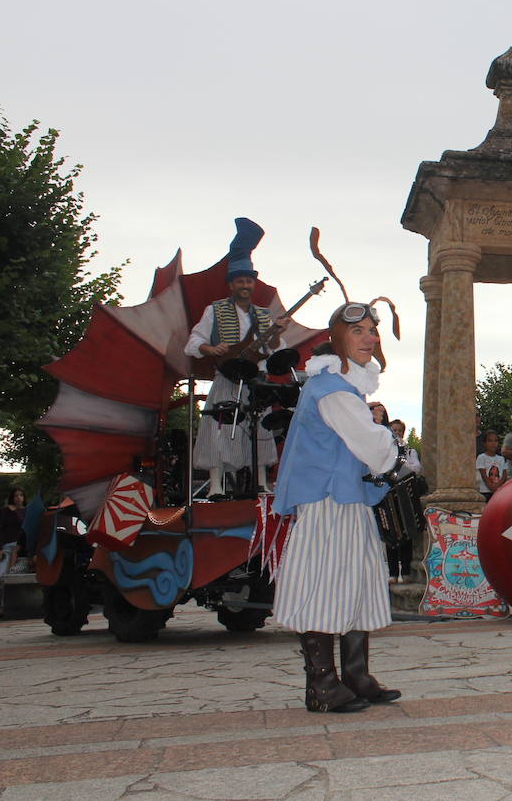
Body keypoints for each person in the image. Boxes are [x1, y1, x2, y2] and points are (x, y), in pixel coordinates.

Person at [273, 301, 404, 714]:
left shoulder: (341, 390)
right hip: (328, 502)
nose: (370, 338)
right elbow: (376, 451)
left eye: (372, 330)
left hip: (345, 499)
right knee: (325, 586)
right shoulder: (332, 391)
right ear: (338, 338)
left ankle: (356, 677)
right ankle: (323, 686)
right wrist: (389, 438)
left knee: (357, 583)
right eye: (359, 331)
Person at [183, 218, 288, 496]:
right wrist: (211, 349)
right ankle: (216, 486)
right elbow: (194, 341)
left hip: (256, 381)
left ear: (254, 284)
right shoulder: (214, 310)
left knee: (262, 430)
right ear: (231, 285)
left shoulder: (264, 315)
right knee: (216, 431)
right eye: (240, 280)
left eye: (249, 280)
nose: (245, 285)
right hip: (227, 377)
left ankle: (262, 482)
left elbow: (276, 350)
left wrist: (276, 333)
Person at [385, 419, 422, 585]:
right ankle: (393, 572)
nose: (397, 433)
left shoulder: (409, 451)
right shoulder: (384, 450)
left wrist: (400, 465)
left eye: (399, 430)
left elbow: (417, 468)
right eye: (394, 430)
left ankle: (405, 570)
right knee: (390, 532)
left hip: (405, 494)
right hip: (388, 494)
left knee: (407, 530)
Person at [0, 487, 27, 618]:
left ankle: (8, 607)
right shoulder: (6, 511)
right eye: (16, 495)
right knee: (0, 577)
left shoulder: (26, 511)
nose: (18, 498)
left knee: (13, 576)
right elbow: (0, 529)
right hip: (6, 546)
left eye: (21, 495)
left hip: (20, 548)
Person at [476, 431, 509, 501]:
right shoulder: (481, 457)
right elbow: (483, 473)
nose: (493, 443)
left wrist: (497, 485)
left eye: (495, 441)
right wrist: (490, 485)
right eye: (490, 441)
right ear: (484, 444)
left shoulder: (501, 458)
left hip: (498, 491)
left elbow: (504, 474)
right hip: (484, 491)